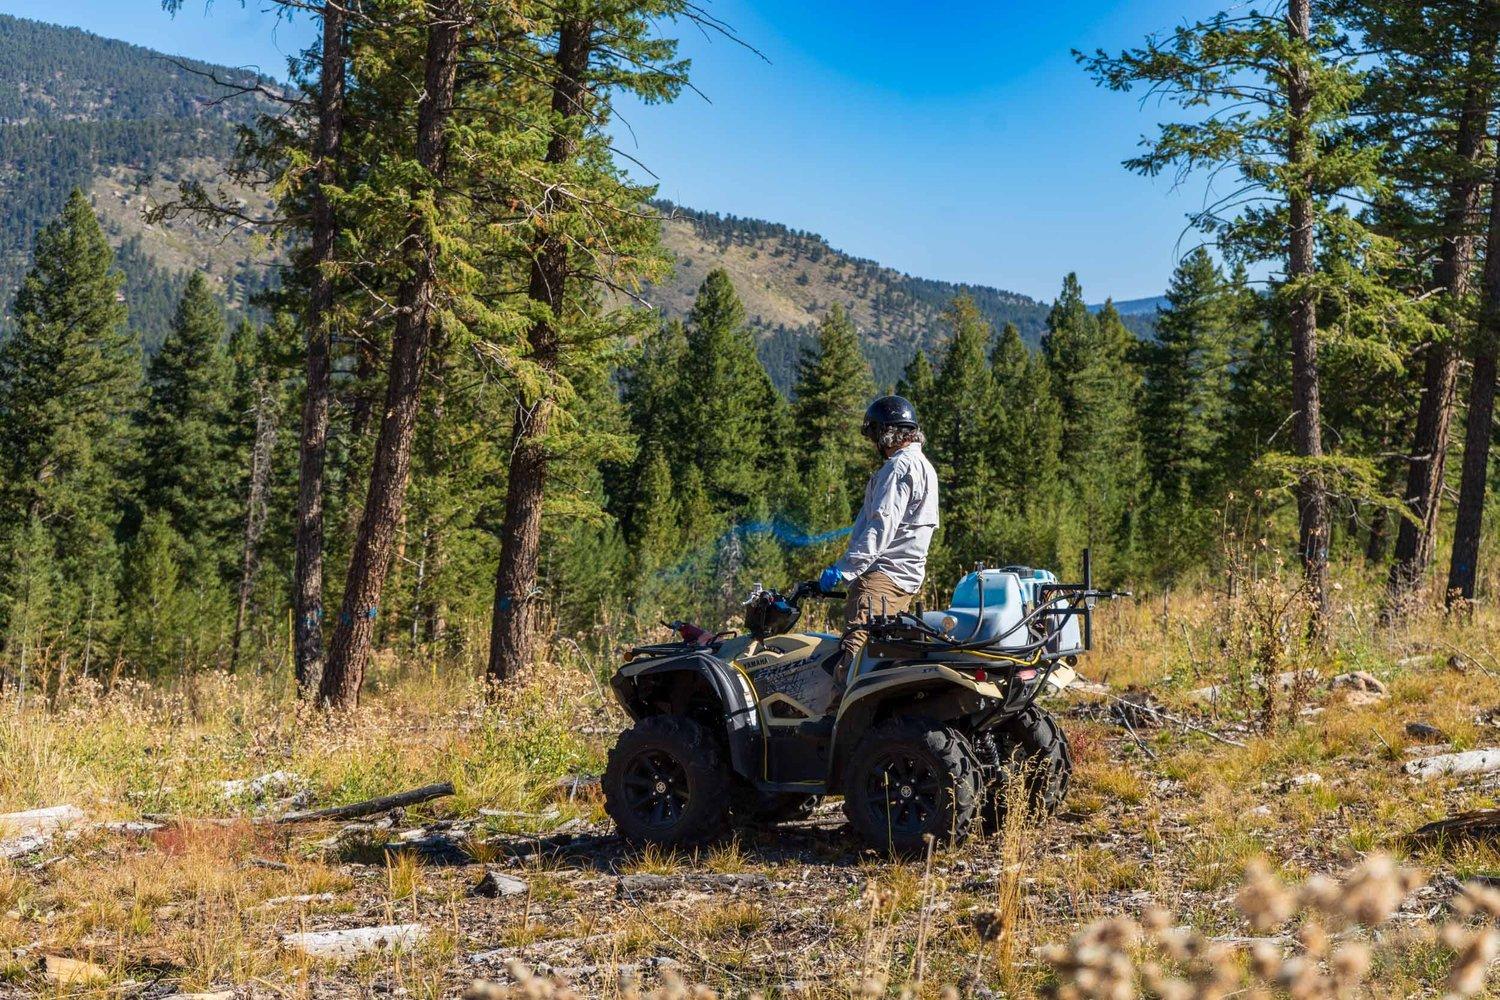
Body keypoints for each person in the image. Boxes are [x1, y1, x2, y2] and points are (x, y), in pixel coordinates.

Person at [818, 395, 939, 687]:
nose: (875, 443)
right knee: (879, 657)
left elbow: (880, 528)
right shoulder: (924, 466)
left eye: (875, 434)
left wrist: (843, 569)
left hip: (882, 579)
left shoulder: (898, 468)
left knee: (854, 660)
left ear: (887, 433)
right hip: (903, 581)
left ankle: (837, 726)